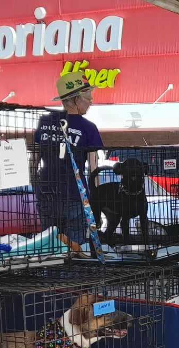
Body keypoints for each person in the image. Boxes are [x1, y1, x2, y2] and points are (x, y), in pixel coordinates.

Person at [34, 71, 103, 248]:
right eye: (88, 98)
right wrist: (96, 198)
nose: (91, 102)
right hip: (74, 195)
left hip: (46, 194)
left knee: (50, 244)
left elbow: (34, 159)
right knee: (75, 247)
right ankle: (75, 273)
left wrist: (37, 186)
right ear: (75, 100)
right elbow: (94, 168)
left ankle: (51, 273)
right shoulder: (88, 128)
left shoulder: (45, 122)